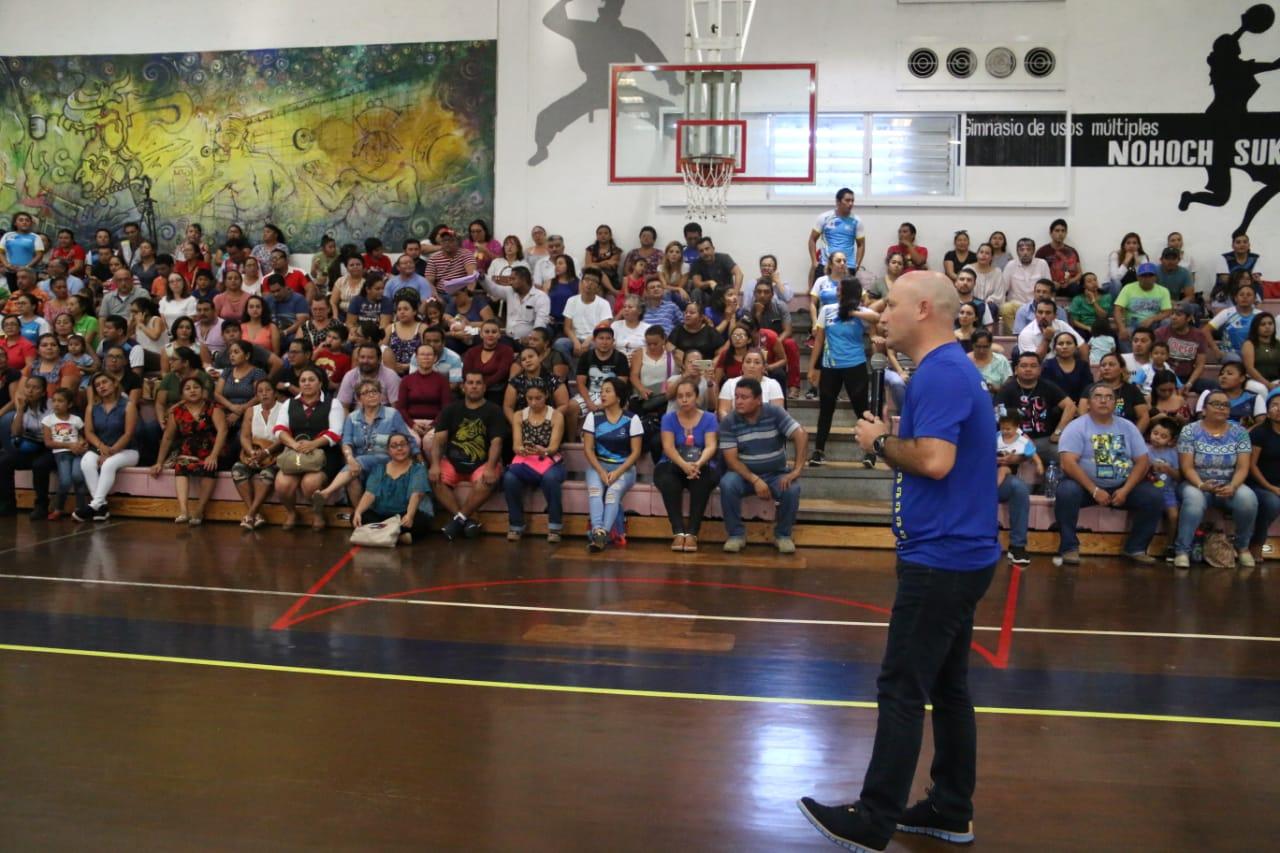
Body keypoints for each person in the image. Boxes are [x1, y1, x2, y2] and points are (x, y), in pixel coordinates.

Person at [801, 272, 999, 851]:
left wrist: (878, 443)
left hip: (941, 557)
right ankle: (949, 807)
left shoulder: (939, 374)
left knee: (901, 687)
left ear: (922, 309)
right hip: (959, 553)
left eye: (889, 305)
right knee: (949, 687)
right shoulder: (945, 368)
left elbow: (935, 461)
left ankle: (874, 818)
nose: (879, 314)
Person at [1053, 383, 1165, 565]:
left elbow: (1142, 461)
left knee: (1153, 495)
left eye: (1109, 397)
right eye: (1098, 396)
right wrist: (1094, 490)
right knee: (1066, 491)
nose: (1104, 400)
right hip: (1086, 487)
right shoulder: (1076, 427)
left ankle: (1135, 548)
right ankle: (1069, 547)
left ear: (1115, 403)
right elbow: (1068, 463)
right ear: (1088, 403)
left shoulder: (1128, 427)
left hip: (1122, 487)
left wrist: (1126, 490)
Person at [719, 377, 807, 555]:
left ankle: (782, 535)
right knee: (727, 484)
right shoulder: (729, 421)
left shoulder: (774, 412)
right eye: (736, 397)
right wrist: (755, 479)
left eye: (744, 397)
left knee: (792, 489)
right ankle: (736, 534)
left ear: (758, 400)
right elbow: (731, 460)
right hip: (744, 475)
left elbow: (801, 434)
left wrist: (797, 470)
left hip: (775, 473)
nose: (739, 401)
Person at [1175, 391, 1258, 569]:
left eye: (1225, 405)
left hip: (1229, 483)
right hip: (1196, 482)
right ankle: (1182, 550)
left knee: (1248, 500)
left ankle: (1242, 547)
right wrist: (1201, 484)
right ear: (1204, 409)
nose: (1221, 408)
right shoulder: (1190, 431)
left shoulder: (1240, 432)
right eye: (1216, 404)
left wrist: (1233, 486)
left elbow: (1243, 467)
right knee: (1194, 500)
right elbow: (1186, 467)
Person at [808, 277, 879, 466]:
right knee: (826, 409)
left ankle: (871, 452)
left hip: (855, 365)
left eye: (840, 289)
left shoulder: (861, 312)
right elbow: (819, 340)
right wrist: (813, 367)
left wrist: (853, 312)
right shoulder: (826, 310)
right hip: (830, 366)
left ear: (849, 292)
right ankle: (818, 451)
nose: (836, 292)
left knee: (862, 409)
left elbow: (876, 318)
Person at [315, 378, 414, 511]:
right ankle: (360, 518)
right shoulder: (352, 417)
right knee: (352, 478)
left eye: (374, 391)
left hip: (386, 461)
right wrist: (350, 459)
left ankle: (326, 493)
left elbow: (408, 439)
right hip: (358, 466)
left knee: (359, 461)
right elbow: (346, 442)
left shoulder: (392, 415)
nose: (371, 394)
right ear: (358, 399)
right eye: (366, 392)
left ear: (381, 395)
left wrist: (418, 458)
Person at [431, 371, 508, 541]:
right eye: (470, 382)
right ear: (463, 386)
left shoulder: (494, 411)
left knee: (489, 478)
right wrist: (435, 464)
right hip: (453, 462)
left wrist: (489, 467)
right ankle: (465, 521)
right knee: (434, 478)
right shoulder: (451, 409)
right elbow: (439, 440)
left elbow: (497, 443)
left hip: (481, 462)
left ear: (484, 387)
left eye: (478, 383)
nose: (474, 386)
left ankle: (457, 520)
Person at [270, 366, 344, 531]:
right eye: (303, 380)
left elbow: (336, 432)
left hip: (324, 453)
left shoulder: (333, 403)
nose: (307, 383)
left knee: (310, 483)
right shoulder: (289, 403)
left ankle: (317, 513)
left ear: (320, 383)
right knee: (282, 484)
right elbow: (279, 429)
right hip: (294, 452)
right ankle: (291, 513)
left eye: (311, 380)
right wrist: (294, 444)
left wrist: (313, 444)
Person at [149, 376, 227, 525]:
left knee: (209, 467)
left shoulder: (213, 408)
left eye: (196, 387)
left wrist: (214, 455)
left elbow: (222, 431)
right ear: (182, 394)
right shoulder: (177, 411)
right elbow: (167, 438)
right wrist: (159, 462)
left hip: (212, 450)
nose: (192, 391)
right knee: (181, 465)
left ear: (203, 391)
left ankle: (199, 510)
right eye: (188, 388)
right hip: (188, 451)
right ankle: (184, 511)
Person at [653, 377, 720, 553]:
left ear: (697, 397)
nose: (684, 399)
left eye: (688, 395)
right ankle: (678, 532)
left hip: (701, 463)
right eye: (680, 396)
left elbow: (711, 445)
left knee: (702, 480)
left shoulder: (710, 418)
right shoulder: (668, 418)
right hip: (673, 462)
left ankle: (692, 534)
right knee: (668, 480)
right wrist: (684, 465)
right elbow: (668, 447)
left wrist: (697, 464)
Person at [581, 376, 643, 551]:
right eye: (601, 391)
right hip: (598, 466)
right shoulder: (593, 417)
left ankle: (602, 534)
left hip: (624, 468)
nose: (602, 394)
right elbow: (588, 450)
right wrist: (601, 471)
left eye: (608, 391)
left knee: (612, 494)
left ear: (619, 396)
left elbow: (636, 452)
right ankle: (598, 531)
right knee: (595, 491)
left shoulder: (632, 419)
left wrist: (617, 473)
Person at [501, 380, 567, 543]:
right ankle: (516, 525)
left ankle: (555, 526)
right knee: (509, 478)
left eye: (538, 398)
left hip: (550, 460)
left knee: (550, 479)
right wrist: (522, 449)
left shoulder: (556, 416)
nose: (533, 402)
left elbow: (553, 447)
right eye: (530, 398)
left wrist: (541, 451)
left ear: (546, 396)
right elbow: (516, 444)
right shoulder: (519, 415)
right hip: (527, 460)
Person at [75, 371, 140, 521]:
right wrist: (100, 447)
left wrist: (111, 452)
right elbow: (89, 432)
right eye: (97, 385)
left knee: (108, 464)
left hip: (127, 450)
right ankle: (101, 507)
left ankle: (94, 505)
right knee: (87, 461)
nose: (101, 387)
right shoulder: (92, 407)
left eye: (104, 382)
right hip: (101, 448)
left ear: (114, 383)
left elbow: (128, 434)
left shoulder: (128, 405)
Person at [996, 352, 1076, 467]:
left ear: (1040, 370)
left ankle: (1053, 483)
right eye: (1024, 366)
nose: (1028, 369)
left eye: (1033, 366)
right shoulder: (1007, 389)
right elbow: (997, 415)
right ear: (1016, 369)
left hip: (1045, 440)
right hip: (1017, 440)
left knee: (1066, 458)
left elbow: (1070, 406)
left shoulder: (1048, 386)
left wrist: (1058, 432)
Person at [352, 433, 433, 544]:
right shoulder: (379, 469)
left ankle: (379, 536)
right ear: (388, 450)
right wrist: (358, 512)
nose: (399, 448)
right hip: (381, 516)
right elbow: (369, 494)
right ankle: (396, 538)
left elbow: (416, 494)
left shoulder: (417, 469)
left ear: (409, 447)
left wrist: (409, 515)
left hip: (401, 516)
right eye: (394, 446)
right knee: (356, 516)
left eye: (402, 445)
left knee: (422, 522)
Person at [0, 376, 55, 517]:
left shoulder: (51, 406)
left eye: (35, 388)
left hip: (48, 448)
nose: (30, 391)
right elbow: (15, 432)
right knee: (4, 461)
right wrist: (20, 410)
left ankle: (41, 505)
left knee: (39, 465)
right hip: (28, 446)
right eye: (28, 387)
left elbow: (51, 433)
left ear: (43, 392)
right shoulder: (23, 407)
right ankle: (8, 504)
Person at [231, 377, 282, 530]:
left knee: (267, 474)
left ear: (275, 393)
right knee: (237, 470)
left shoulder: (284, 409)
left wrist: (267, 452)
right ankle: (256, 513)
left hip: (276, 453)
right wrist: (252, 452)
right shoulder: (251, 410)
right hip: (254, 452)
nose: (264, 394)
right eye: (260, 391)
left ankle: (250, 514)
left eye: (268, 390)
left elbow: (285, 436)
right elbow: (245, 436)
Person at [1248, 389, 1280, 563]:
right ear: (1267, 410)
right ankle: (1256, 544)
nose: (1279, 409)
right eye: (1274, 405)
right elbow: (1251, 465)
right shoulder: (1260, 432)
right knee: (1272, 502)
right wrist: (1271, 488)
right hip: (1259, 484)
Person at [1144, 416, 1182, 560]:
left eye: (1163, 436)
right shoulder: (1144, 449)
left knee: (1173, 515)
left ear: (1171, 441)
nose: (1157, 438)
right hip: (1148, 488)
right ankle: (1144, 544)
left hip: (1167, 491)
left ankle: (1171, 545)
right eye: (1155, 433)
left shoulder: (1173, 454)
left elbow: (1179, 476)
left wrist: (1168, 470)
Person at [808, 187, 866, 281]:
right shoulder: (824, 217)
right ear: (838, 201)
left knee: (846, 295)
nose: (850, 203)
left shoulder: (857, 221)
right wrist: (814, 262)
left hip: (848, 266)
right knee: (821, 294)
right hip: (826, 265)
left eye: (852, 200)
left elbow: (861, 245)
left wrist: (857, 265)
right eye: (847, 200)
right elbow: (812, 239)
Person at [482, 265, 550, 345]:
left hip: (529, 342)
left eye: (513, 279)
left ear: (524, 280)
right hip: (508, 339)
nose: (510, 282)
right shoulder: (510, 291)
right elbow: (494, 289)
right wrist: (483, 278)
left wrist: (531, 338)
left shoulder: (540, 297)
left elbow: (540, 323)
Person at [998, 238, 1052, 332]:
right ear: (1017, 252)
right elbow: (1002, 289)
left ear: (1033, 251)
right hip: (1016, 305)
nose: (1025, 252)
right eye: (1022, 249)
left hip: (1037, 305)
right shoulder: (1011, 265)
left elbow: (1048, 287)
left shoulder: (1042, 264)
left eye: (1028, 249)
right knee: (1005, 308)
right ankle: (1017, 335)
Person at [1114, 263, 1173, 345]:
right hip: (1133, 324)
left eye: (1150, 275)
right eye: (1144, 275)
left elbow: (1167, 312)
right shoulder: (1128, 288)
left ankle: (1158, 352)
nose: (1147, 278)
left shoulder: (1163, 291)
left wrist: (1152, 319)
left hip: (1154, 324)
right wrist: (1121, 328)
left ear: (1155, 277)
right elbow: (1117, 309)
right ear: (1138, 277)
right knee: (1124, 333)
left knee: (1167, 321)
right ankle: (1129, 357)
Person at [337, 343, 401, 409]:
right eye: (362, 357)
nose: (365, 361)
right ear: (358, 358)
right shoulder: (350, 376)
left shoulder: (391, 376)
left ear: (379, 359)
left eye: (370, 358)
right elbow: (343, 407)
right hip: (356, 416)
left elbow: (396, 408)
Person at [687, 237, 743, 306]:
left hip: (726, 297)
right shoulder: (696, 264)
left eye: (707, 249)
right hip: (709, 298)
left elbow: (739, 274)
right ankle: (697, 315)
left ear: (713, 248)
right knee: (696, 292)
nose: (705, 252)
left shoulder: (724, 258)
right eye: (701, 251)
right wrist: (709, 282)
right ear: (698, 253)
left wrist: (735, 294)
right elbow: (697, 283)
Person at [1041, 331, 1094, 402]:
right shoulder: (1047, 365)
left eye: (1069, 343)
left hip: (1080, 408)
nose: (1064, 347)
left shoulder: (1083, 366)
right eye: (1060, 344)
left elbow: (1088, 390)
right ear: (1054, 348)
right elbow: (1046, 391)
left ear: (1075, 347)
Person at [1034, 218, 1083, 296]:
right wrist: (1050, 283)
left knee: (1076, 288)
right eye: (1057, 231)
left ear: (1066, 233)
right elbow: (1036, 273)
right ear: (1050, 233)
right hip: (1049, 285)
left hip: (1069, 285)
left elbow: (1079, 273)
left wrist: (1069, 282)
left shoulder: (1072, 251)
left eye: (1063, 231)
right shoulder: (1042, 251)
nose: (1060, 234)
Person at [1210, 281, 1259, 357]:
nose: (1245, 297)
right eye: (1241, 295)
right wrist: (1215, 349)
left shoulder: (1259, 315)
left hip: (1254, 355)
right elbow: (1205, 331)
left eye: (1249, 295)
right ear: (1236, 298)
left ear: (1254, 299)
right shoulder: (1226, 313)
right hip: (1230, 355)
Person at [1242, 311, 1280, 389]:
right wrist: (1268, 384)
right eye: (1263, 324)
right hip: (1255, 381)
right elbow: (1250, 369)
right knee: (1261, 389)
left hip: (1275, 380)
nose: (1267, 327)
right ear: (1256, 327)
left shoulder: (1278, 343)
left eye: (1270, 323)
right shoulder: (1249, 344)